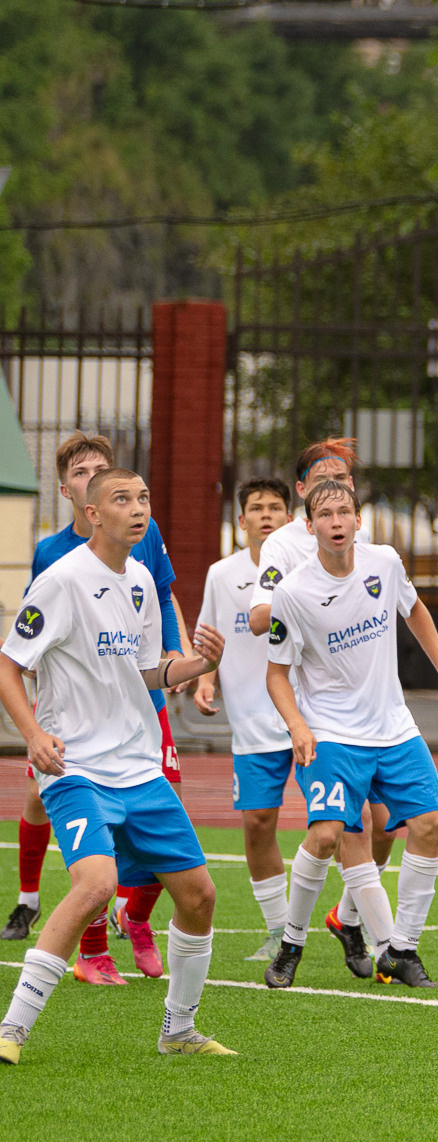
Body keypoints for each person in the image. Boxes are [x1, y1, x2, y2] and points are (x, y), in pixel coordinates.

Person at [0, 469, 233, 1064]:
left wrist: (196, 665)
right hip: (77, 768)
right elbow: (8, 666)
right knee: (97, 885)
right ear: (92, 513)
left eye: (144, 498)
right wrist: (33, 736)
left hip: (139, 768)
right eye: (122, 499)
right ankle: (12, 1030)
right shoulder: (61, 580)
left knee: (199, 896)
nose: (138, 508)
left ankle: (178, 1031)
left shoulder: (140, 581)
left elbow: (146, 672)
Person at [260, 480, 438, 990]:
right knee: (327, 835)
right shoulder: (292, 591)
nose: (336, 522)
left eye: (344, 512)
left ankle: (401, 949)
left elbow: (415, 609)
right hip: (331, 733)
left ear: (359, 519)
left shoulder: (385, 562)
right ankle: (291, 942)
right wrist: (298, 726)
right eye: (325, 515)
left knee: (432, 823)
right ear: (309, 525)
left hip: (393, 727)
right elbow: (276, 674)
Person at [1, 433, 186, 989]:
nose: (133, 505)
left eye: (104, 471)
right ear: (72, 494)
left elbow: (161, 600)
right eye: (83, 473)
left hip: (140, 709)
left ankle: (138, 918)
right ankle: (65, 928)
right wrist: (36, 723)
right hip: (74, 724)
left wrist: (185, 661)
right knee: (71, 836)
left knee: (171, 827)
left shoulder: (143, 537)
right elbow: (24, 649)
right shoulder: (56, 560)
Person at [248, 438, 394, 977]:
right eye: (324, 481)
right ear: (303, 494)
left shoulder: (365, 542)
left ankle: (346, 919)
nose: (337, 489)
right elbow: (259, 617)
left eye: (345, 481)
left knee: (385, 827)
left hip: (373, 714)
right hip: (316, 712)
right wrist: (305, 600)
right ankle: (301, 942)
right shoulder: (284, 547)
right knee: (336, 829)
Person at [193, 477, 297, 961]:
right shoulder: (222, 574)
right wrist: (205, 680)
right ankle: (278, 931)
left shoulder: (308, 568)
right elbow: (210, 639)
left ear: (290, 517)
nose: (266, 515)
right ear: (241, 521)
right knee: (257, 823)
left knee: (342, 824)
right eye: (257, 508)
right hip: (252, 722)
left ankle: (354, 921)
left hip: (311, 717)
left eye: (275, 507)